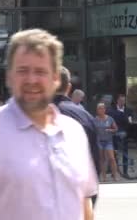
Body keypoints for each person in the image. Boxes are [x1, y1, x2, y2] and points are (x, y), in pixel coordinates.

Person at [0, 29, 98, 220]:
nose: (31, 80)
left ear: (56, 78)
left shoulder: (74, 133)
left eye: (40, 71)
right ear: (9, 76)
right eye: (23, 70)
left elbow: (84, 206)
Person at [52, 66, 101, 202]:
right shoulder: (85, 115)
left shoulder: (37, 114)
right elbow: (93, 161)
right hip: (77, 197)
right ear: (68, 88)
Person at [108, 94, 133, 174]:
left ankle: (125, 172)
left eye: (124, 101)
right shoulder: (111, 110)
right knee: (114, 152)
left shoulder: (128, 110)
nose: (122, 102)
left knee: (125, 152)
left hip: (123, 133)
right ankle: (114, 171)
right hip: (114, 133)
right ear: (117, 101)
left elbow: (130, 122)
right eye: (121, 101)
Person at [95, 102, 118, 182]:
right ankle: (104, 177)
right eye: (98, 108)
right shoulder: (95, 119)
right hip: (99, 141)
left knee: (112, 158)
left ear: (104, 109)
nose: (100, 110)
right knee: (102, 159)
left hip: (108, 141)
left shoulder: (110, 119)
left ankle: (115, 176)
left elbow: (115, 129)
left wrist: (110, 130)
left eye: (102, 108)